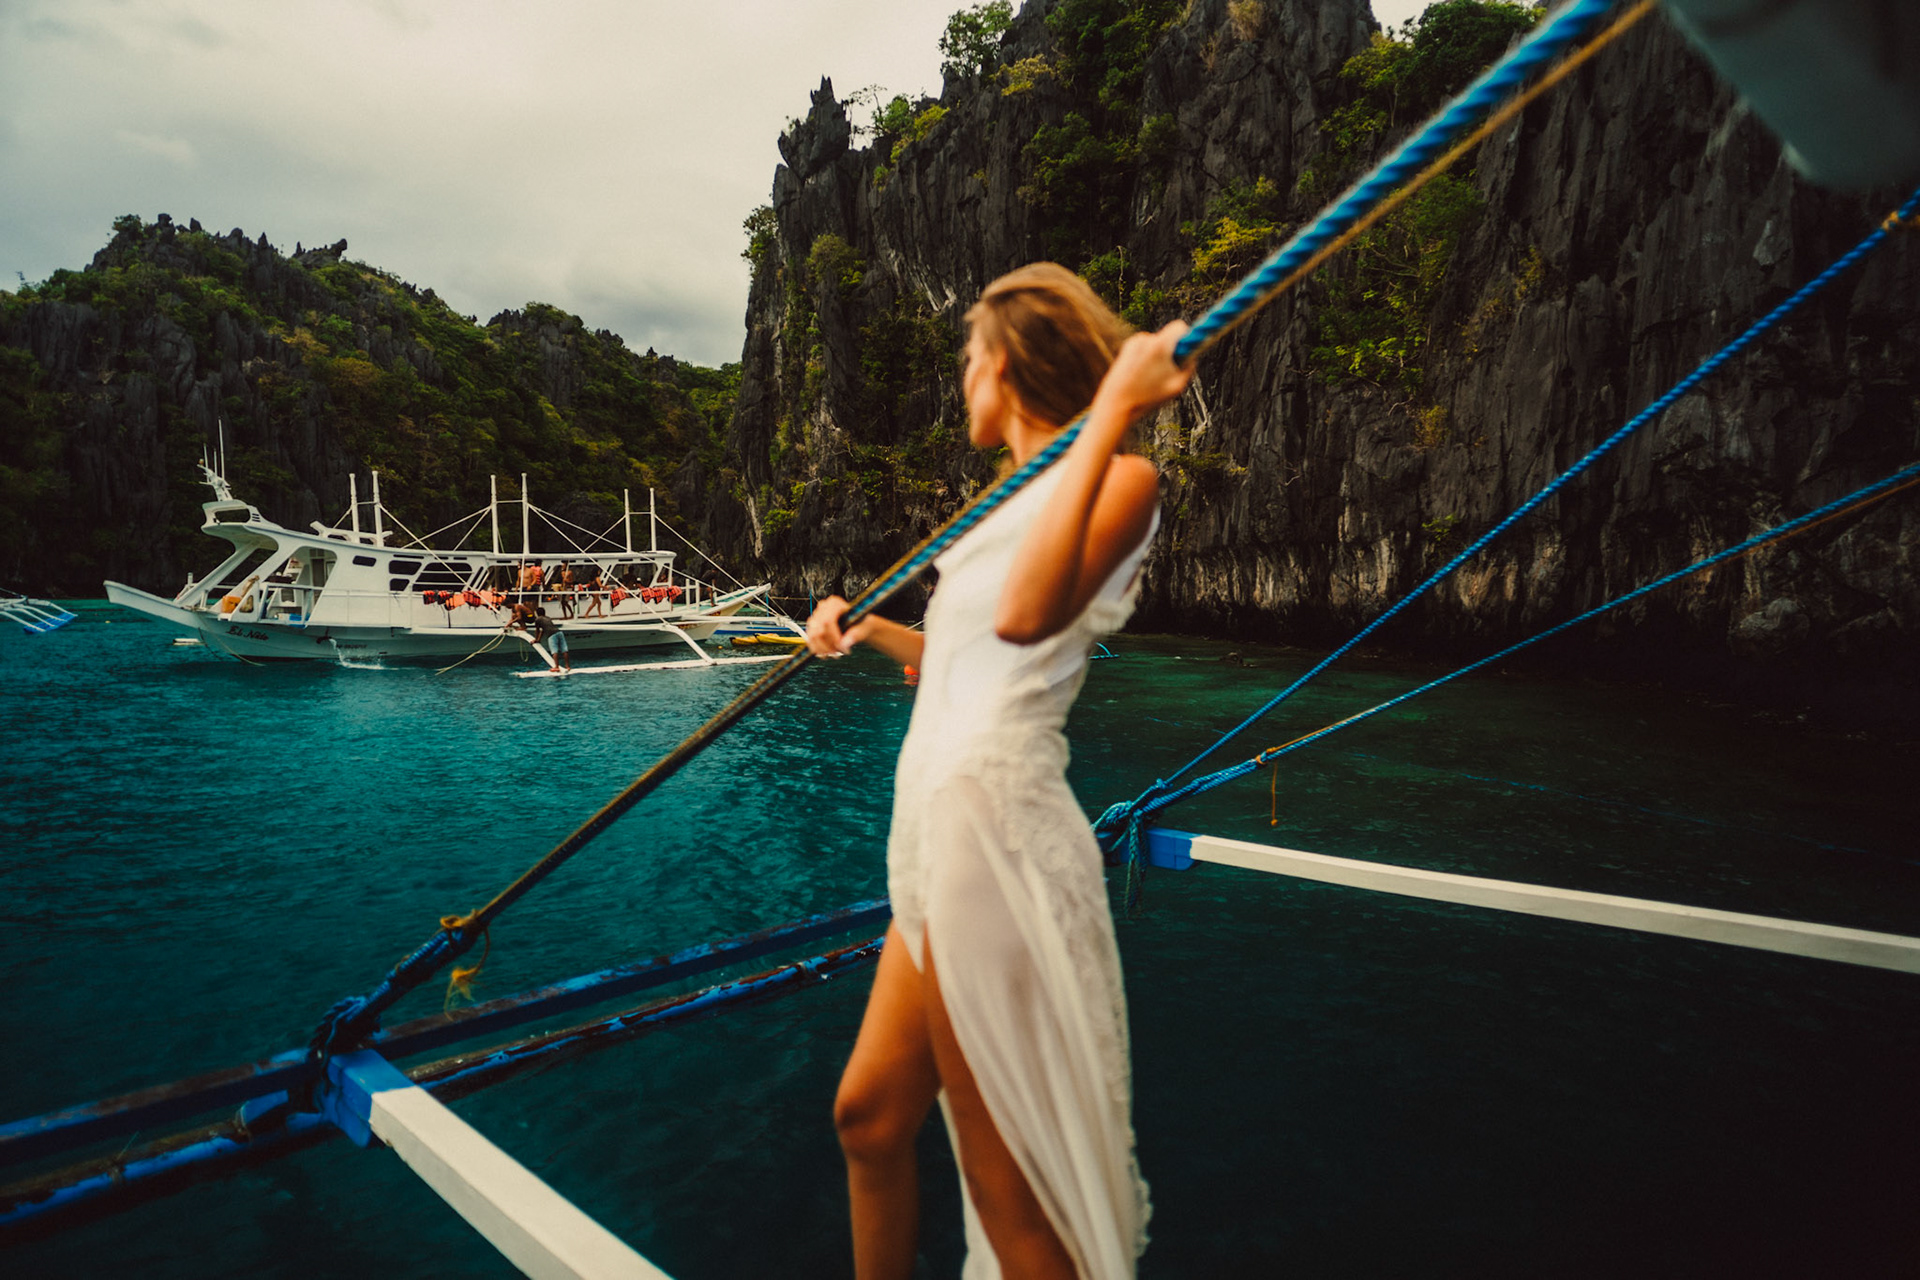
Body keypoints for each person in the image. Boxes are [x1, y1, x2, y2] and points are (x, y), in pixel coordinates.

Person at [806, 263, 1191, 1280]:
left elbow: (1028, 616)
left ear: (1010, 365)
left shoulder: (1122, 480)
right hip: (933, 835)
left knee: (1009, 1201)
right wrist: (871, 628)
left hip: (993, 832)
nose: (962, 377)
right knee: (869, 1114)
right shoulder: (1001, 508)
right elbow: (959, 664)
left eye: (972, 356)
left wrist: (1111, 409)